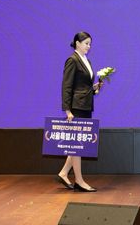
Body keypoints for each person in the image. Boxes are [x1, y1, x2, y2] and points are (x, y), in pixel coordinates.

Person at [55, 31, 103, 192]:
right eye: (86, 43)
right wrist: (67, 110)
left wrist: (94, 88)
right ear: (77, 43)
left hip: (86, 105)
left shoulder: (86, 60)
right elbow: (67, 86)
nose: (89, 46)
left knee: (78, 144)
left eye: (90, 44)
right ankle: (79, 181)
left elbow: (83, 86)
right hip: (77, 108)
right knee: (77, 145)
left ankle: (63, 173)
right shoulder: (72, 60)